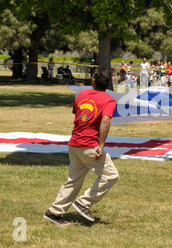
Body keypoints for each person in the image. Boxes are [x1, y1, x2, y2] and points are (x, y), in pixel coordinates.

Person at [44, 67, 119, 225]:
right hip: (88, 145)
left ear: (93, 81)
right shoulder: (109, 100)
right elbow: (105, 121)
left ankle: (54, 212)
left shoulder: (82, 94)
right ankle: (84, 203)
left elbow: (78, 113)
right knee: (111, 175)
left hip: (74, 143)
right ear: (109, 84)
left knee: (74, 179)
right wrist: (101, 145)